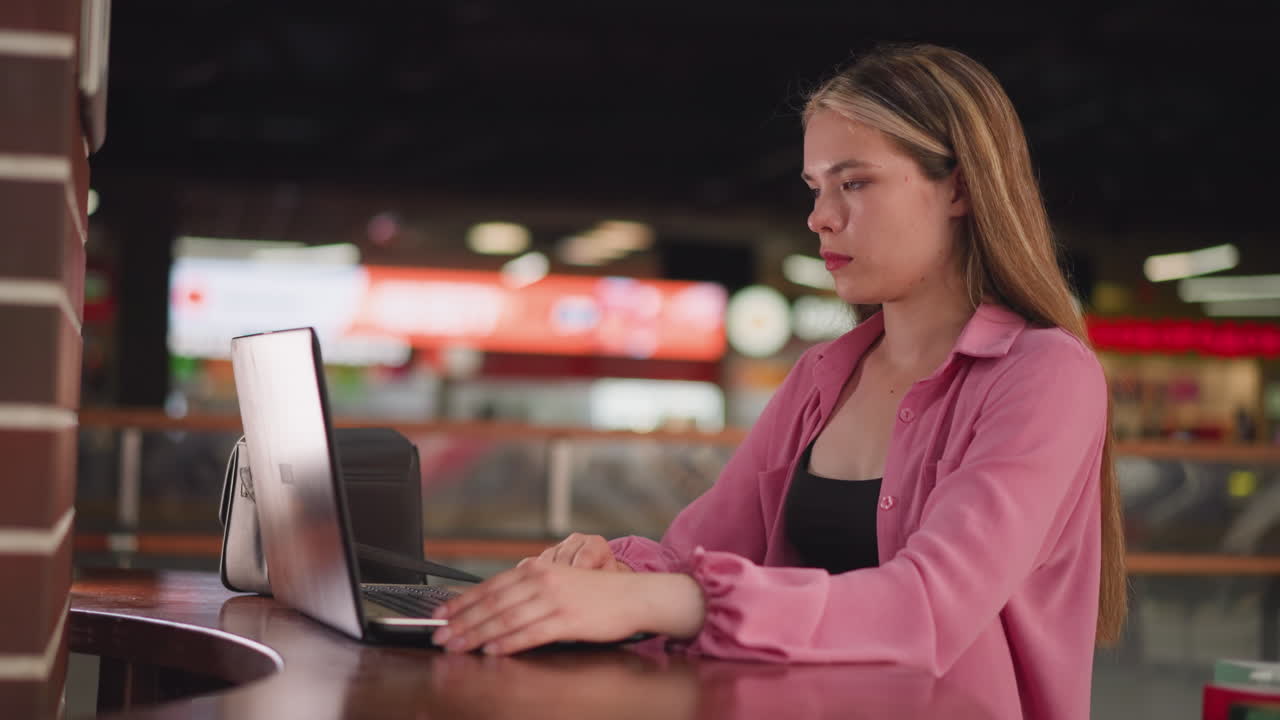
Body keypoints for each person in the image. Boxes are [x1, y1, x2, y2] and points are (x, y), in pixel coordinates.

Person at [431, 44, 1127, 720]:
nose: (821, 216)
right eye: (816, 188)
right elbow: (695, 553)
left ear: (962, 188)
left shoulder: (1046, 374)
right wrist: (611, 574)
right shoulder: (824, 376)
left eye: (854, 183)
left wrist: (664, 602)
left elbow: (927, 607)